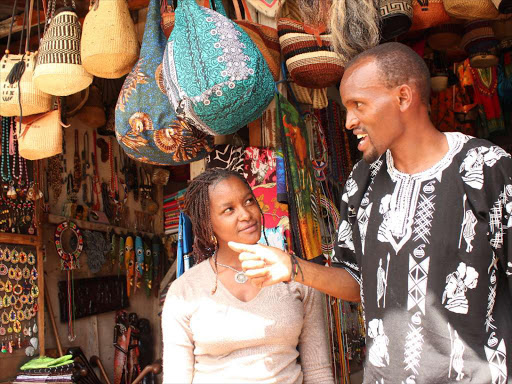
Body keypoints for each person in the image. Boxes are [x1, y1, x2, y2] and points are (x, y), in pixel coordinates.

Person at [229, 42, 512, 383]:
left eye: (358, 105)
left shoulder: (486, 168)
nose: (349, 121)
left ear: (403, 98)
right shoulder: (363, 180)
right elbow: (357, 281)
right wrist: (292, 268)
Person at [161, 168, 334, 383]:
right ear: (207, 223)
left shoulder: (296, 276)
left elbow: (318, 370)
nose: (246, 214)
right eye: (229, 210)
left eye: (249, 201)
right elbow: (177, 377)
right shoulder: (185, 291)